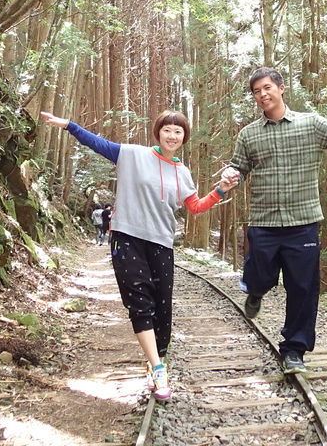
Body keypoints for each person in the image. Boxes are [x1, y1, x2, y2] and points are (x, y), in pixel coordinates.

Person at [40, 109, 235, 401]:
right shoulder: (132, 155)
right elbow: (98, 143)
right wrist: (70, 126)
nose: (172, 135)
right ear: (158, 132)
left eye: (178, 131)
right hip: (127, 238)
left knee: (162, 307)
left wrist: (220, 190)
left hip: (161, 243)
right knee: (140, 302)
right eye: (167, 129)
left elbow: (194, 206)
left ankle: (158, 357)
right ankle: (158, 369)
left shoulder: (182, 172)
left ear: (184, 137)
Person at [222, 67, 327, 375]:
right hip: (264, 221)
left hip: (303, 222)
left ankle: (294, 350)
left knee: (303, 288)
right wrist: (231, 175)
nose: (262, 94)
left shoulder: (309, 124)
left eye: (267, 87)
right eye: (257, 91)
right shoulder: (249, 134)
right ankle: (255, 291)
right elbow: (238, 167)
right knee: (259, 276)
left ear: (281, 88)